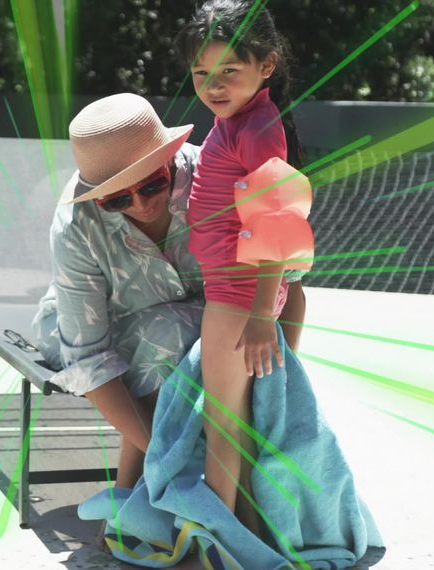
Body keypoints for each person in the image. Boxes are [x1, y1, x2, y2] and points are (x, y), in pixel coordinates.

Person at [177, 0, 313, 538]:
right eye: (201, 72)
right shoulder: (236, 122)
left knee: (223, 427)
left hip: (237, 298)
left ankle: (220, 540)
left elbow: (276, 221)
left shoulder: (256, 129)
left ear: (266, 66)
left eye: (229, 71)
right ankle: (247, 532)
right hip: (232, 294)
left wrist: (260, 314)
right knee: (238, 424)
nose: (213, 84)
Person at [31, 93, 204, 491]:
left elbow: (282, 281)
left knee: (187, 330)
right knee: (168, 335)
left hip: (195, 322)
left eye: (153, 184)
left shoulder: (214, 176)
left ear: (171, 158)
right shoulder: (76, 227)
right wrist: (167, 462)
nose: (141, 205)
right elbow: (90, 358)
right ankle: (148, 489)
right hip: (99, 326)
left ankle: (135, 497)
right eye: (119, 199)